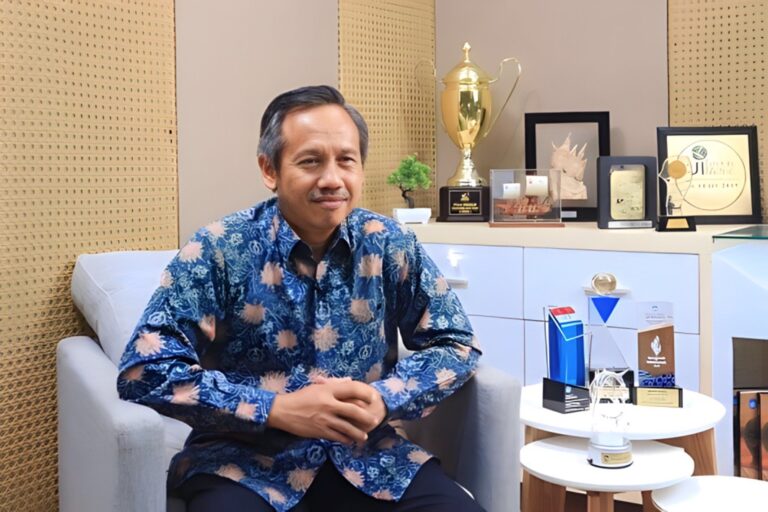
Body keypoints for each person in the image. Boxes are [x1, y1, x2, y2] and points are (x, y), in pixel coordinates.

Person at [117, 85, 483, 512]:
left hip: (368, 457)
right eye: (311, 161)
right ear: (269, 169)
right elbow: (144, 370)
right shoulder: (218, 249)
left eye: (346, 160)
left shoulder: (389, 243)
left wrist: (387, 397)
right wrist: (275, 408)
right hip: (241, 462)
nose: (332, 179)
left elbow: (456, 343)